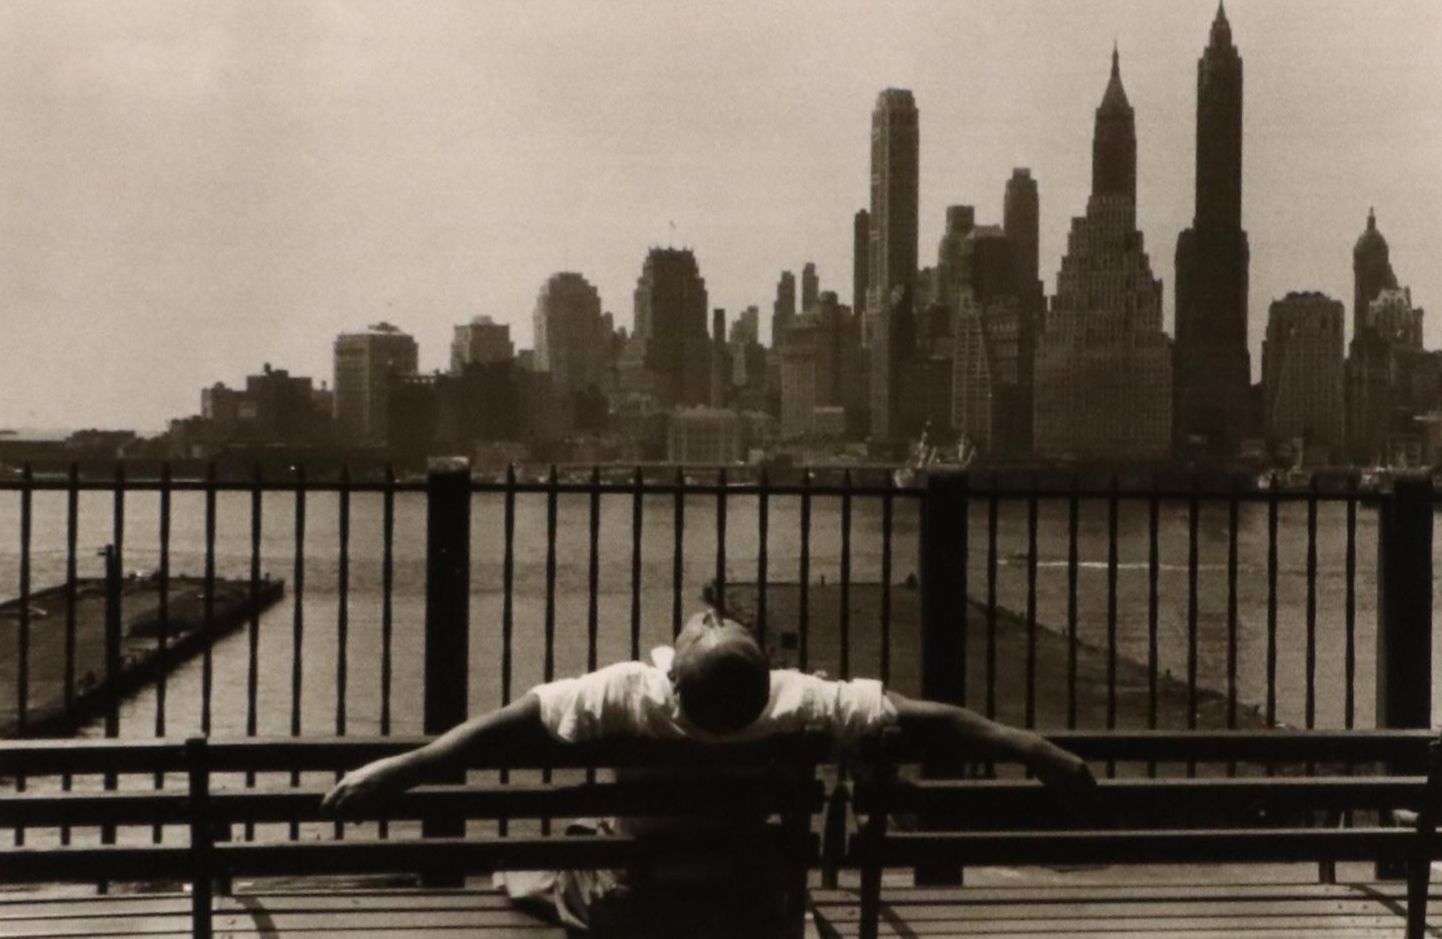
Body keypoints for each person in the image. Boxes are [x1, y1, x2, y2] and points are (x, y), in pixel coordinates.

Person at [322, 609, 1095, 936]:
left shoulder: (627, 691)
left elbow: (505, 726)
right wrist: (1035, 747)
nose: (712, 612)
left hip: (637, 907)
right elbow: (925, 717)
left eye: (712, 622)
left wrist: (399, 768)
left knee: (544, 857)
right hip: (747, 908)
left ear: (676, 674)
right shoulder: (795, 700)